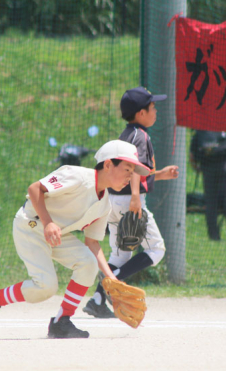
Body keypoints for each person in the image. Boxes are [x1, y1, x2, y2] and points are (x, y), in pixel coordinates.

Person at [0, 139, 150, 339]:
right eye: (127, 169)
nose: (130, 176)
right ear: (108, 164)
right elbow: (34, 189)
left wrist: (111, 277)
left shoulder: (104, 205)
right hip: (30, 225)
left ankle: (61, 322)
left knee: (88, 263)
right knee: (46, 287)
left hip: (57, 235)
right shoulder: (77, 176)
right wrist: (48, 222)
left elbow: (92, 242)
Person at [83, 86, 179, 318]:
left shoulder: (127, 134)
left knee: (120, 256)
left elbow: (135, 170)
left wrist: (161, 174)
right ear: (140, 113)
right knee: (156, 250)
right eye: (152, 107)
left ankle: (97, 299)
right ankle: (113, 284)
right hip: (129, 202)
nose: (156, 111)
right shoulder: (141, 136)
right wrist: (136, 196)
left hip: (114, 201)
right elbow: (134, 169)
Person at [189, 130, 226, 242]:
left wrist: (197, 168)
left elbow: (192, 157)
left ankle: (213, 235)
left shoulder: (199, 132)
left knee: (211, 202)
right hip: (224, 166)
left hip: (208, 169)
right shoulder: (223, 127)